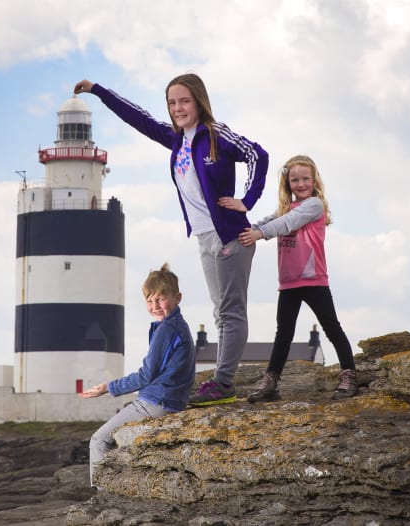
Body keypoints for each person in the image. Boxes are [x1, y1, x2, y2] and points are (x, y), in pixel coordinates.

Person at [74, 75, 268, 406]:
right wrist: (98, 91)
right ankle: (223, 381)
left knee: (231, 311)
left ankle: (223, 383)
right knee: (220, 312)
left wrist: (247, 200)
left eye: (184, 101)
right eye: (172, 103)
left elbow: (257, 155)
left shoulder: (215, 134)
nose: (178, 108)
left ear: (199, 102)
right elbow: (139, 118)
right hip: (204, 237)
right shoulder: (177, 140)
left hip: (231, 235)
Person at [227, 154, 357, 402]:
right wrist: (239, 231)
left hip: (313, 280)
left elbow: (287, 223)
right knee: (283, 334)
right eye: (294, 180)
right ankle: (271, 382)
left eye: (305, 179)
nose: (300, 184)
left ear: (314, 180)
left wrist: (260, 234)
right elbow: (267, 221)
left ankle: (349, 375)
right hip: (288, 282)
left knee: (332, 328)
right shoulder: (286, 207)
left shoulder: (314, 205)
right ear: (287, 183)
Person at [79, 263, 196, 488]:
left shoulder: (167, 330)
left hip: (158, 400)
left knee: (99, 440)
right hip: (169, 399)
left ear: (177, 297)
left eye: (161, 299)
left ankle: (102, 495)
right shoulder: (177, 325)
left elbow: (146, 375)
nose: (155, 306)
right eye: (150, 301)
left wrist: (108, 387)